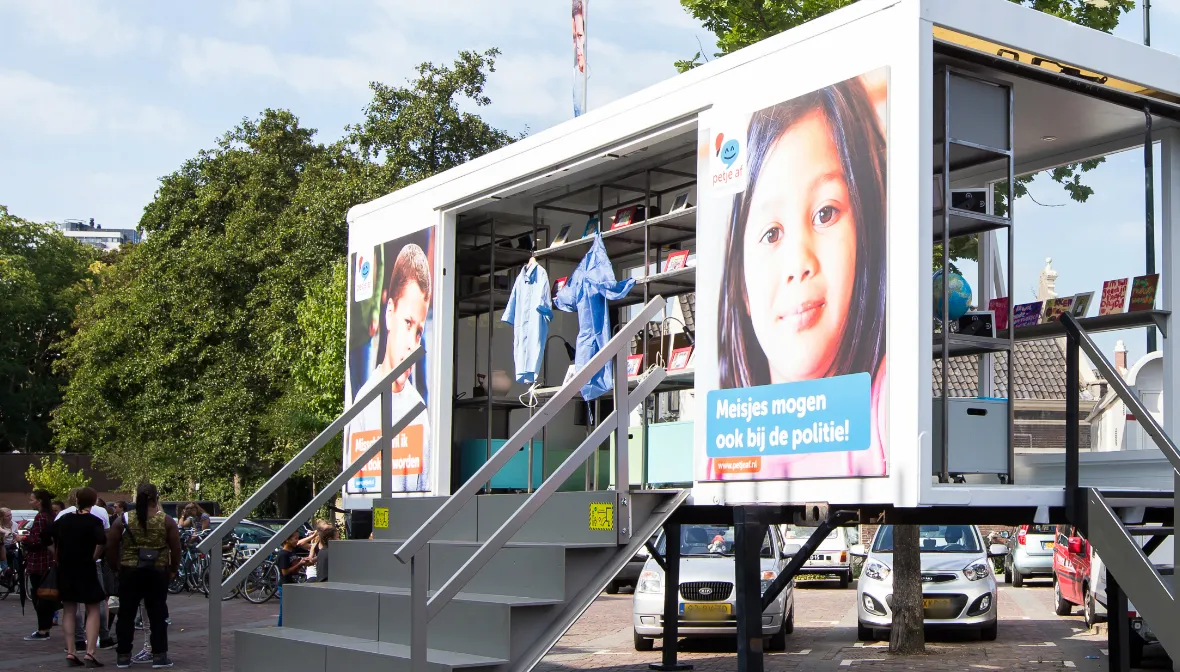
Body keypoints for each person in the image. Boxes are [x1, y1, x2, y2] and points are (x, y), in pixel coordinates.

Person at [713, 74, 888, 480]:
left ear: (867, 227)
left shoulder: (882, 404)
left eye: (825, 213)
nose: (798, 263)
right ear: (741, 285)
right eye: (771, 234)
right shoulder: (726, 443)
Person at [350, 242, 433, 493]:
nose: (412, 344)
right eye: (407, 323)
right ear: (389, 313)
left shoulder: (418, 410)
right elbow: (357, 483)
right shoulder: (364, 401)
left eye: (418, 332)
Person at [109, 483, 179, 669]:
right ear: (156, 498)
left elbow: (112, 545)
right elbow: (175, 547)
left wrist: (116, 567)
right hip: (157, 571)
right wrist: (173, 569)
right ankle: (159, 656)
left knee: (126, 614)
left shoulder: (123, 519)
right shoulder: (166, 520)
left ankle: (123, 656)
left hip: (130, 571)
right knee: (157, 614)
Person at [51, 486, 107, 667]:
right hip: (86, 568)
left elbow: (45, 537)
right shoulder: (94, 521)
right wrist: (94, 557)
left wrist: (56, 555)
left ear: (76, 500)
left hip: (66, 568)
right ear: (93, 501)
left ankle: (71, 651)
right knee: (93, 608)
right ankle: (90, 652)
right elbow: (102, 541)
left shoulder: (64, 519)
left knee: (68, 609)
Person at [22, 489, 57, 642]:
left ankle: (43, 629)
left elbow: (37, 541)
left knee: (40, 595)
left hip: (39, 561)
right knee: (46, 595)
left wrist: (23, 538)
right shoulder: (51, 516)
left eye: (32, 499)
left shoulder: (41, 517)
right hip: (48, 560)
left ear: (39, 501)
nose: (30, 502)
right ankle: (45, 626)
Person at [276, 531, 311, 626]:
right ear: (287, 540)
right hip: (285, 585)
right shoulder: (283, 554)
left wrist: (302, 563)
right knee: (284, 611)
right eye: (295, 538)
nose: (297, 540)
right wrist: (300, 564)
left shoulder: (292, 552)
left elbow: (294, 568)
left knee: (292, 609)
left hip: (292, 583)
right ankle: (280, 629)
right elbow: (285, 572)